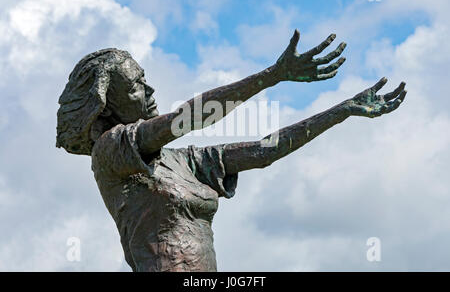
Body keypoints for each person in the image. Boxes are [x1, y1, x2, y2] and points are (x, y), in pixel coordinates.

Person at [56, 30, 406, 271]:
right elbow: (185, 119)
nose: (148, 90)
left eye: (145, 78)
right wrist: (271, 76)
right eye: (134, 86)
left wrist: (342, 110)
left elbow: (264, 150)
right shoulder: (110, 151)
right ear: (106, 103)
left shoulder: (183, 162)